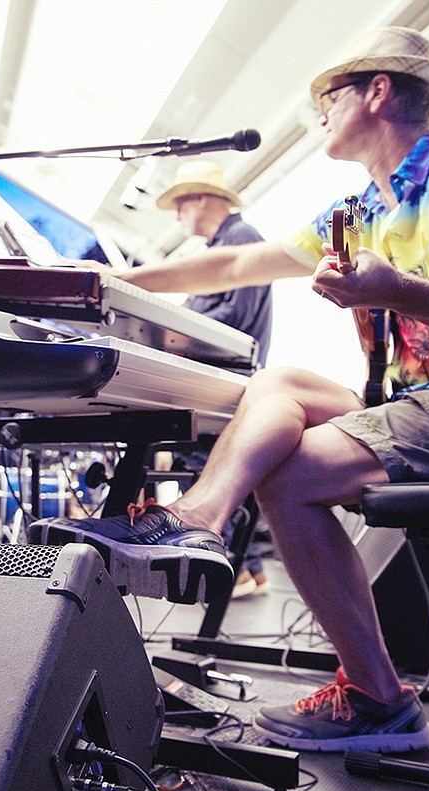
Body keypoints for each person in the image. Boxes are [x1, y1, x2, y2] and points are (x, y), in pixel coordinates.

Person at [29, 26, 429, 753]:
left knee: (292, 474)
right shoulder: (360, 210)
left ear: (378, 90)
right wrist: (105, 283)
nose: (317, 111)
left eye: (327, 95)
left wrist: (397, 287)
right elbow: (231, 267)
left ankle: (379, 698)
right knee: (279, 382)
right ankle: (197, 520)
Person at [155, 160, 273, 597]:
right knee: (204, 462)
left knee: (198, 462)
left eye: (179, 206)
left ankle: (233, 567)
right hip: (222, 375)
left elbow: (234, 319)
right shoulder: (226, 243)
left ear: (200, 198)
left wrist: (174, 331)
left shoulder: (241, 238)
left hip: (226, 377)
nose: (176, 217)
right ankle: (250, 570)